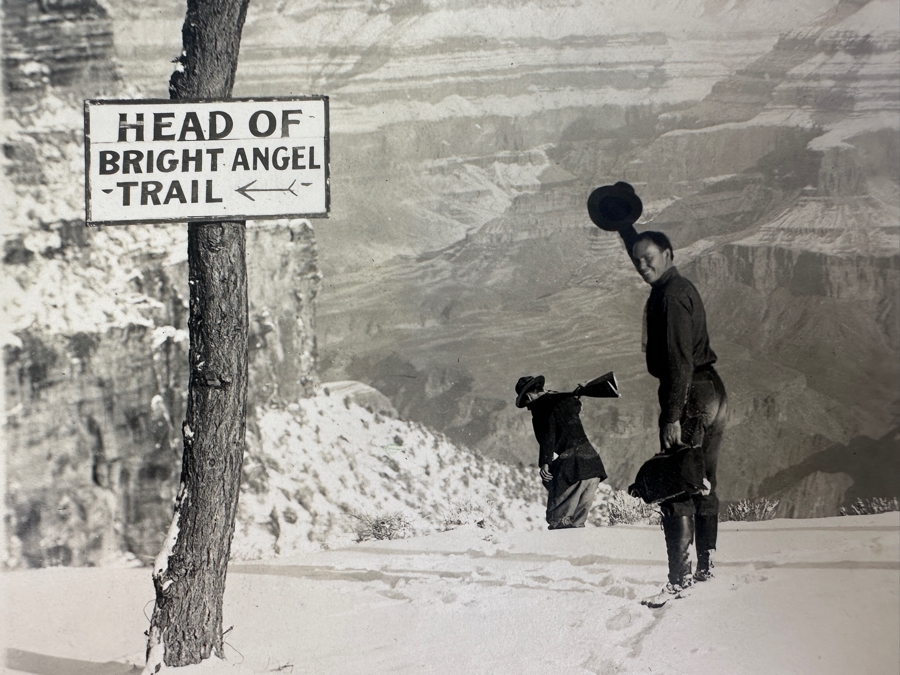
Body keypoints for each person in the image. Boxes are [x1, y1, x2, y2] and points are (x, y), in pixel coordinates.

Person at [588, 181, 727, 604]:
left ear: (669, 255)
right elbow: (640, 245)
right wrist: (623, 225)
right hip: (712, 392)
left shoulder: (671, 297)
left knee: (676, 483)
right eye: (637, 260)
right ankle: (705, 566)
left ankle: (679, 579)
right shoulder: (674, 286)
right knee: (702, 479)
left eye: (649, 258)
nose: (642, 265)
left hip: (690, 394)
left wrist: (671, 416)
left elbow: (680, 361)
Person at [515, 375, 608, 529]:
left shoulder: (540, 407)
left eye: (527, 404)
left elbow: (548, 436)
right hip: (593, 466)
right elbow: (575, 406)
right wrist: (578, 393)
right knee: (577, 524)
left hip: (574, 467)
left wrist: (545, 462)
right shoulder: (564, 399)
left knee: (558, 521)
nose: (529, 408)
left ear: (529, 396)